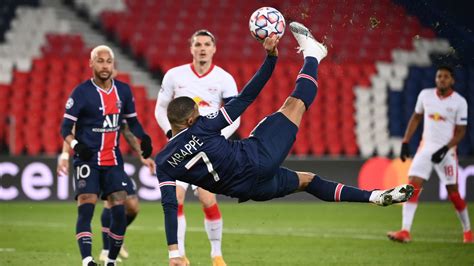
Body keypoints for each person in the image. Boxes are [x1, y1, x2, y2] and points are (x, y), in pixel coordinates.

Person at [155, 22, 414, 266]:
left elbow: (169, 205)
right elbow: (247, 97)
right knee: (295, 104)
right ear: (191, 119)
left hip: (250, 190)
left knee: (309, 181)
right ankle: (313, 54)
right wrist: (271, 58)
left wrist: (174, 253)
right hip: (257, 157)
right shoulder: (204, 125)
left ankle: (375, 196)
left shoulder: (163, 163)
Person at [60, 45, 153, 266]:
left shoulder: (124, 91)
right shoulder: (81, 93)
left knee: (120, 210)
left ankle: (110, 260)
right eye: (100, 61)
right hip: (87, 160)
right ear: (91, 63)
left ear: (113, 64)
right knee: (86, 205)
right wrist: (74, 146)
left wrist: (145, 139)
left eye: (108, 61)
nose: (104, 65)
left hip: (112, 161)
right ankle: (87, 261)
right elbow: (65, 127)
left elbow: (131, 123)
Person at [155, 29, 240, 266]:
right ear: (191, 48)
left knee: (207, 198)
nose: (202, 48)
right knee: (177, 197)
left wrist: (215, 137)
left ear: (214, 49)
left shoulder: (224, 78)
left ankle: (216, 254)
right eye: (198, 44)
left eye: (206, 44)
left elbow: (236, 116)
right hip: (182, 148)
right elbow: (160, 108)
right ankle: (180, 255)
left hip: (208, 150)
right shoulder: (174, 75)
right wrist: (170, 133)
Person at [387, 66, 472, 243]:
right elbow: (416, 118)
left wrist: (445, 149)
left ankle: (468, 232)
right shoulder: (425, 95)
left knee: (453, 193)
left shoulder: (459, 102)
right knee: (411, 187)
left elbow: (461, 131)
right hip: (425, 149)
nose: (442, 79)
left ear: (452, 80)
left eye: (446, 76)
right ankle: (405, 231)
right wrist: (405, 141)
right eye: (439, 76)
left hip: (447, 152)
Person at [57, 123, 156, 263]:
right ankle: (106, 251)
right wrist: (65, 154)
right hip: (91, 161)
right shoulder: (87, 103)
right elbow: (69, 127)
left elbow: (126, 129)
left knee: (132, 207)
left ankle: (115, 238)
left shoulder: (118, 103)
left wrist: (141, 154)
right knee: (109, 202)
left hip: (112, 160)